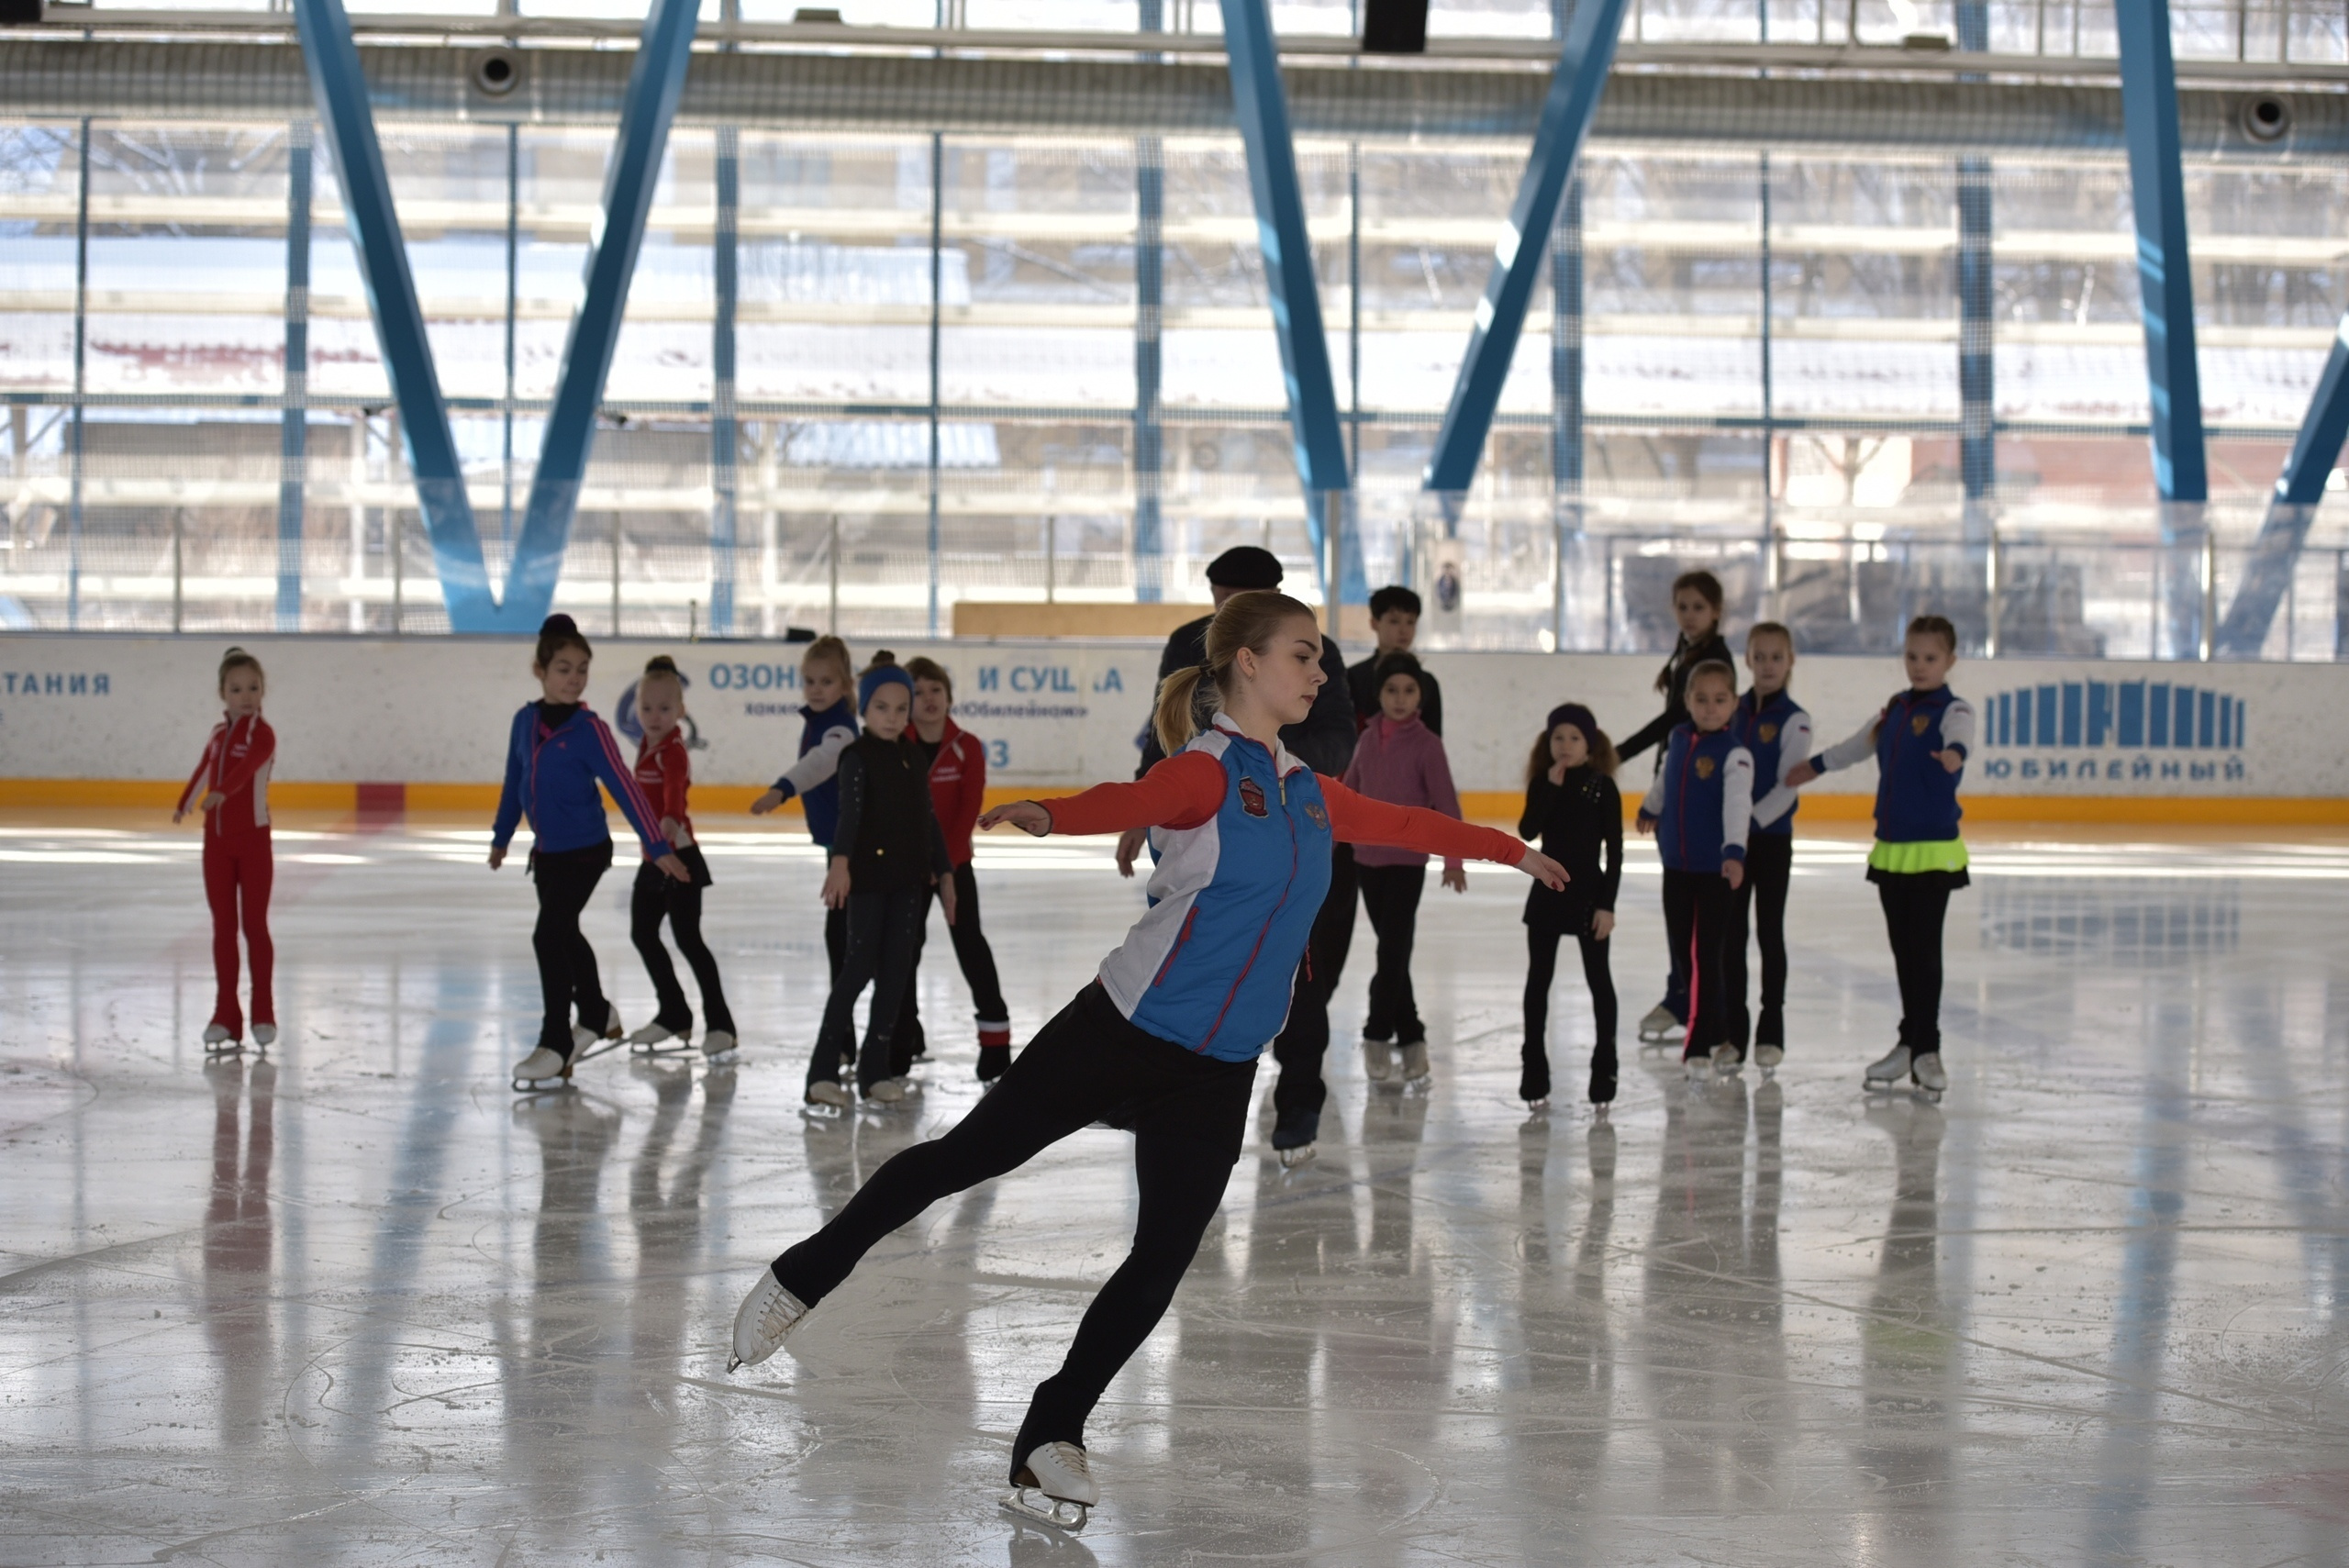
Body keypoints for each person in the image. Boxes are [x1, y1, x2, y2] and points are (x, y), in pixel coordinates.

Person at [726, 590, 1567, 1535]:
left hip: (1220, 1066)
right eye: (1302, 653)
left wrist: (1509, 851)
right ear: (1247, 661)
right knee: (967, 1156)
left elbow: (1403, 823)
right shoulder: (1208, 770)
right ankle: (801, 1275)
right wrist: (1052, 812)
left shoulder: (1306, 787)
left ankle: (1052, 1429)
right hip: (1123, 1026)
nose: (1320, 671)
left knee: (1161, 1259)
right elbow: (1130, 800)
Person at [1122, 545, 1357, 1162]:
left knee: (1295, 974)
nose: (1224, 615)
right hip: (1204, 838)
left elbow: (1339, 741)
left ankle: (1299, 1100)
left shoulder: (1313, 651)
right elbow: (1164, 727)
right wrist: (1141, 804)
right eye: (1219, 600)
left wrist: (1266, 758)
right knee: (1191, 959)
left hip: (1286, 837)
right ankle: (1171, 1093)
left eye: (1239, 602)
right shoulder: (1187, 642)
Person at [491, 616, 688, 1091]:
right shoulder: (525, 722)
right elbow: (515, 781)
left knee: (548, 936)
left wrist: (656, 846)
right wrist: (502, 836)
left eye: (582, 669)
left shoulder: (590, 730)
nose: (574, 678)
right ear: (540, 670)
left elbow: (625, 788)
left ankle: (557, 1042)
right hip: (547, 853)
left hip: (586, 852)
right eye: (564, 669)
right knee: (564, 931)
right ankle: (597, 1012)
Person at [1784, 615, 1974, 1104]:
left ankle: (1928, 1049)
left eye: (1930, 658)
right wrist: (1816, 765)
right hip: (1892, 849)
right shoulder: (1895, 709)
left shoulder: (1953, 709)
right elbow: (1857, 746)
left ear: (1950, 661)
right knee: (1904, 951)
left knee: (1925, 951)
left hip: (1932, 851)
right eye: (1912, 656)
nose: (1919, 666)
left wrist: (1955, 754)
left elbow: (1961, 734)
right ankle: (1909, 1043)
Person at [803, 654, 958, 1108]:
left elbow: (928, 818)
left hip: (909, 882)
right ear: (865, 709)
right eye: (882, 708)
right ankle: (821, 1071)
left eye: (900, 708)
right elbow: (849, 816)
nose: (892, 717)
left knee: (895, 975)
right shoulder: (856, 757)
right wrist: (840, 862)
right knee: (855, 971)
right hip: (869, 881)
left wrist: (945, 871)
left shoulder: (912, 756)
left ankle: (875, 1070)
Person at [1617, 568, 1735, 1046]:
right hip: (1677, 779)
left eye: (1698, 608)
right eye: (1682, 607)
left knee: (1693, 908)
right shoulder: (1687, 651)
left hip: (1698, 788)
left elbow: (1674, 721)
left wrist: (1619, 753)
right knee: (1679, 905)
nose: (1689, 615)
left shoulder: (1713, 660)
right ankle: (1682, 994)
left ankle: (1692, 1001)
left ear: (1717, 611)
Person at [1341, 652, 1465, 1085]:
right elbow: (1348, 793)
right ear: (1378, 694)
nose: (1400, 698)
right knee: (1393, 950)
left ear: (1420, 697)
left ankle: (1376, 1034)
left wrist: (1453, 859)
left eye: (1409, 690)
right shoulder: (1366, 739)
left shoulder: (1428, 745)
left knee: (1391, 950)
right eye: (1391, 690)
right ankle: (1411, 1035)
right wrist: (1326, 838)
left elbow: (1446, 802)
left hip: (1408, 861)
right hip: (1367, 859)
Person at [895, 655, 1016, 1084]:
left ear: (949, 697)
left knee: (971, 947)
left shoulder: (968, 746)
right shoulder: (896, 746)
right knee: (903, 952)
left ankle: (996, 1045)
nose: (929, 699)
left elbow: (967, 814)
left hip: (955, 865)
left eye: (936, 690)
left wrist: (943, 865)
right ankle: (902, 1040)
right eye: (918, 692)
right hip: (907, 870)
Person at [1633, 660, 1753, 1081]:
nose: (1710, 707)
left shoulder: (1735, 755)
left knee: (1708, 955)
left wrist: (1734, 852)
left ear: (1733, 703)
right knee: (1683, 952)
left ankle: (1699, 1041)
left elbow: (1738, 806)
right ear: (1687, 701)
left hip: (1714, 870)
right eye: (1701, 699)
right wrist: (1651, 806)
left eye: (1719, 699)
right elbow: (1666, 777)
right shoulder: (1679, 738)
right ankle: (1714, 1029)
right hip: (1676, 866)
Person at [624, 655, 738, 1060]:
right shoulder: (646, 745)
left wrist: (671, 818)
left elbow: (675, 789)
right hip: (653, 858)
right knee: (643, 933)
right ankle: (673, 1012)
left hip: (680, 856)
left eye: (664, 708)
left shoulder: (672, 751)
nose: (654, 716)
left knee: (689, 940)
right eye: (647, 708)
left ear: (680, 711)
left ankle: (721, 1025)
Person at [1517, 703, 1622, 1112]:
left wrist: (1607, 906)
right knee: (1538, 981)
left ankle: (1605, 1065)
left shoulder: (1602, 786)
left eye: (1574, 738)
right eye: (1558, 737)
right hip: (1548, 892)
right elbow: (1528, 831)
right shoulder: (1543, 782)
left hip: (1589, 897)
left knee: (1599, 981)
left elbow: (1615, 852)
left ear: (1589, 744)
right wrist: (1549, 787)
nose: (1565, 745)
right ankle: (1533, 1067)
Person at [174, 647, 278, 1054]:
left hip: (254, 842)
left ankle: (263, 1012)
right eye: (236, 689)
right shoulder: (218, 734)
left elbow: (246, 769)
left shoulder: (263, 735)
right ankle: (225, 1015)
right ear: (223, 693)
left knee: (255, 926)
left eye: (253, 687)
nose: (246, 696)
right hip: (216, 845)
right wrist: (185, 802)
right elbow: (204, 768)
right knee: (223, 928)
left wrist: (221, 792)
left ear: (262, 690)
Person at [1723, 624, 1810, 1076]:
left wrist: (1747, 824)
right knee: (1731, 934)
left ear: (1790, 660)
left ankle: (1771, 1029)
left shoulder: (1796, 720)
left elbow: (1787, 786)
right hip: (1733, 846)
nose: (1768, 665)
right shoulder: (1731, 711)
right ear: (1748, 660)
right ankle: (1734, 1032)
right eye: (1760, 656)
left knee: (1769, 933)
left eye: (1777, 657)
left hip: (1771, 841)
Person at [751, 635, 859, 977]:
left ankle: (849, 1001)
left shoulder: (840, 729)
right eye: (809, 681)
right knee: (841, 929)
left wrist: (781, 790)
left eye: (826, 682)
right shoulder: (819, 720)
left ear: (845, 685)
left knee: (843, 931)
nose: (816, 690)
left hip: (852, 843)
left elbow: (818, 763)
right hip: (838, 841)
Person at [1345, 584, 1443, 735]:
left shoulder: (1427, 683)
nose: (1403, 630)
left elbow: (1433, 739)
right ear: (1374, 623)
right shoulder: (1353, 678)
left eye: (1410, 622)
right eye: (1394, 621)